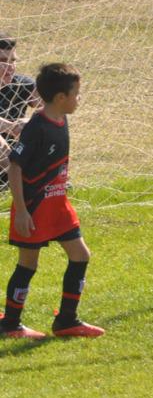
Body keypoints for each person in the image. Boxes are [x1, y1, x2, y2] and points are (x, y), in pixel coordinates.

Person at [2, 63, 102, 340]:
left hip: (58, 206)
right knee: (28, 264)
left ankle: (67, 320)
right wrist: (21, 211)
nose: (78, 99)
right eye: (76, 94)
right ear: (61, 98)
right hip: (34, 208)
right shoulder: (37, 127)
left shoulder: (59, 117)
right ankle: (11, 324)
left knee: (81, 255)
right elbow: (15, 167)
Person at [0, 33, 37, 189]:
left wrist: (32, 122)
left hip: (15, 158)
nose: (10, 67)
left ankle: (51, 178)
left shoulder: (23, 85)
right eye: (3, 61)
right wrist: (10, 127)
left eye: (13, 60)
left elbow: (52, 109)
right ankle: (24, 186)